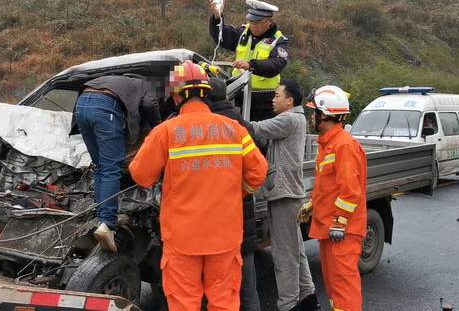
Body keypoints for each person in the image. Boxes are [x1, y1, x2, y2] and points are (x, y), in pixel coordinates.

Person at [129, 61, 267, 311]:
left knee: (184, 304)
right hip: (225, 234)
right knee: (224, 303)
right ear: (204, 91)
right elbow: (259, 172)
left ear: (176, 94)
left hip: (183, 238)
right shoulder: (234, 129)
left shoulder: (165, 132)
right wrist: (238, 193)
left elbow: (140, 175)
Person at [70, 75, 161, 252]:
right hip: (105, 107)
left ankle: (102, 216)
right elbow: (150, 104)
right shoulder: (146, 83)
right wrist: (159, 125)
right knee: (112, 168)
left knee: (101, 166)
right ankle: (107, 224)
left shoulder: (116, 81)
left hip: (81, 104)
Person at [250, 79, 319, 311]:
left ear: (289, 100)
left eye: (277, 95)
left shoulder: (289, 119)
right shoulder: (294, 119)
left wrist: (229, 119)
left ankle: (288, 305)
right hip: (287, 194)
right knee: (295, 251)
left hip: (285, 196)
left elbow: (257, 128)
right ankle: (308, 299)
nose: (273, 99)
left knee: (284, 256)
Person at [301, 85, 367, 311]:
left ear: (324, 114)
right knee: (333, 286)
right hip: (331, 228)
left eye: (314, 112)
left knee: (343, 288)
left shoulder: (343, 146)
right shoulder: (329, 144)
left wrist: (339, 221)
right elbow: (330, 186)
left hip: (342, 231)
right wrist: (313, 204)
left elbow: (350, 191)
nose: (311, 117)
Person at [206, 77, 260, 311]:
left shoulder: (208, 126)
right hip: (241, 212)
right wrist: (242, 191)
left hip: (218, 217)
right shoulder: (241, 124)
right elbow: (259, 163)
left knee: (220, 286)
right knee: (247, 283)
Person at [209, 0, 289, 121]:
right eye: (250, 22)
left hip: (264, 103)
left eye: (256, 23)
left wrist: (250, 65)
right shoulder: (242, 33)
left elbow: (276, 65)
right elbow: (222, 37)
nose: (252, 26)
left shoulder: (279, 41)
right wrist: (216, 17)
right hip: (237, 96)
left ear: (269, 22)